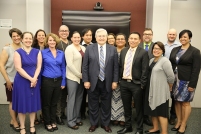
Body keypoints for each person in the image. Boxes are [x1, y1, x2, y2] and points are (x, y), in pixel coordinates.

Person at [82, 28, 119, 133]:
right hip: (93, 81)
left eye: (103, 36)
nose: (101, 38)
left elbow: (116, 67)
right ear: (96, 37)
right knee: (92, 104)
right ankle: (93, 124)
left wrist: (115, 81)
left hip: (107, 82)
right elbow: (85, 66)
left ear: (107, 38)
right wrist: (86, 80)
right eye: (99, 36)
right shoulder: (89, 48)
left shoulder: (112, 49)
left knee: (106, 104)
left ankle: (105, 124)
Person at [169, 29, 201, 134]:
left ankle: (183, 124)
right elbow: (171, 64)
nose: (183, 39)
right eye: (181, 37)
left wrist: (193, 84)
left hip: (186, 81)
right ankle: (178, 121)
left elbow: (196, 69)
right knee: (177, 101)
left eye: (185, 37)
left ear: (190, 38)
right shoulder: (175, 49)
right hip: (174, 80)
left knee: (185, 103)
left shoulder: (195, 51)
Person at [117, 32, 149, 134]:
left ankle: (139, 130)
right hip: (124, 83)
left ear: (139, 41)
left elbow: (145, 70)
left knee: (138, 108)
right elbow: (120, 66)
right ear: (128, 40)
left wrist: (142, 85)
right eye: (131, 38)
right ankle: (128, 127)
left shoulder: (143, 52)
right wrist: (120, 80)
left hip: (137, 85)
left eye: (135, 39)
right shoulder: (124, 51)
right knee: (126, 107)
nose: (133, 40)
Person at [12, 32, 42, 134]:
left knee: (33, 104)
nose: (28, 40)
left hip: (34, 81)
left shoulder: (37, 51)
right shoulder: (18, 52)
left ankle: (32, 125)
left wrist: (34, 79)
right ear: (22, 39)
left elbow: (39, 67)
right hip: (22, 82)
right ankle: (23, 127)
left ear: (32, 39)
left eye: (30, 38)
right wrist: (31, 79)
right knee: (22, 104)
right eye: (26, 38)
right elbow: (18, 68)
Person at [144, 42, 175, 134]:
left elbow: (171, 77)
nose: (156, 50)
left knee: (161, 112)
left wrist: (169, 87)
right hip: (151, 89)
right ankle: (155, 128)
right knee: (152, 110)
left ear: (162, 51)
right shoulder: (151, 60)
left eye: (159, 49)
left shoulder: (165, 61)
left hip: (160, 91)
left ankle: (164, 132)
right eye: (155, 48)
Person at [41, 33, 66, 132]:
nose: (52, 42)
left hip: (58, 81)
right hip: (47, 81)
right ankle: (47, 122)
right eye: (50, 40)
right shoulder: (43, 53)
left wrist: (63, 82)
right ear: (47, 42)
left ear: (56, 42)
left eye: (54, 40)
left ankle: (53, 121)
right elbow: (40, 67)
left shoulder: (61, 53)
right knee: (46, 103)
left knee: (54, 103)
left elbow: (63, 67)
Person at [0, 28, 22, 132]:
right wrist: (7, 80)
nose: (16, 38)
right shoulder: (7, 49)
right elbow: (1, 65)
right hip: (11, 79)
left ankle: (13, 119)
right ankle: (15, 121)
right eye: (14, 36)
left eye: (18, 35)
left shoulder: (24, 47)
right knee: (12, 101)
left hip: (22, 80)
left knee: (18, 102)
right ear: (11, 37)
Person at [65, 31, 86, 130]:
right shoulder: (69, 48)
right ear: (71, 38)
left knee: (79, 99)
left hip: (82, 78)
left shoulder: (83, 48)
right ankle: (70, 121)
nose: (77, 39)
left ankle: (77, 118)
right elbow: (70, 65)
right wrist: (79, 75)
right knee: (72, 99)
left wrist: (84, 76)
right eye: (75, 37)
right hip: (73, 77)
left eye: (78, 37)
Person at [164, 28, 181, 125]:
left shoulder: (180, 46)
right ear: (167, 35)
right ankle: (164, 115)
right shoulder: (162, 45)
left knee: (174, 96)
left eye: (173, 34)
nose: (171, 36)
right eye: (170, 34)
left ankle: (173, 116)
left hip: (175, 74)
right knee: (164, 96)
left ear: (176, 35)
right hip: (163, 74)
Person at [56, 25, 71, 125]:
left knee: (65, 95)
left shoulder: (71, 43)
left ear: (69, 32)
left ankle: (63, 112)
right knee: (59, 96)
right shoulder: (56, 43)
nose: (64, 32)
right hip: (60, 72)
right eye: (62, 31)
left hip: (70, 73)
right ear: (58, 32)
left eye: (66, 31)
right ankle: (58, 115)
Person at [138, 28, 154, 127]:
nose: (147, 36)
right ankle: (139, 115)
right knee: (139, 97)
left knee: (148, 97)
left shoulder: (156, 46)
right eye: (145, 34)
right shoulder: (137, 45)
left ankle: (146, 116)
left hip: (152, 76)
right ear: (142, 36)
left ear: (152, 35)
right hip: (138, 76)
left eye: (149, 34)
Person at [111, 33, 126, 127]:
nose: (120, 40)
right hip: (113, 79)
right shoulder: (112, 50)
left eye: (122, 39)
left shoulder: (128, 50)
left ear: (125, 40)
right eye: (118, 39)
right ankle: (114, 117)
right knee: (114, 99)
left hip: (124, 78)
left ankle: (122, 118)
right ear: (115, 41)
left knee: (124, 99)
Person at [32, 29, 46, 125]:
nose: (41, 37)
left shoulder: (48, 46)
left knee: (44, 96)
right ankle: (35, 117)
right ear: (36, 37)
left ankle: (42, 115)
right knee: (35, 95)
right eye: (39, 35)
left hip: (45, 74)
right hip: (34, 74)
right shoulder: (32, 47)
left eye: (43, 35)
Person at [80, 28, 93, 120]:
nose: (89, 37)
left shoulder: (95, 46)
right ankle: (82, 113)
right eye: (87, 35)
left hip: (93, 75)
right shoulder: (79, 46)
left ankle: (91, 112)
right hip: (82, 74)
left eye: (90, 35)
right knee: (82, 95)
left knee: (92, 95)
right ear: (82, 36)